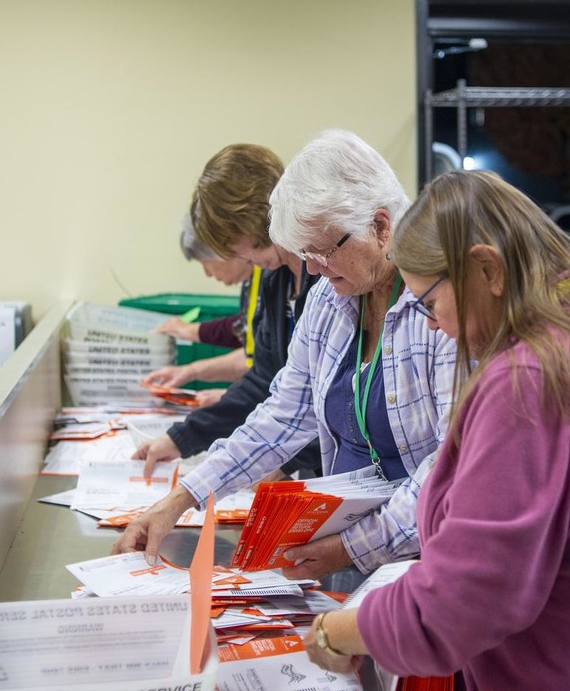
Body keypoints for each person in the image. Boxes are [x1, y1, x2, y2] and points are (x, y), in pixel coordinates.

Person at [302, 170, 570, 691]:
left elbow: (466, 596)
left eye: (428, 304)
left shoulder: (530, 380)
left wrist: (341, 632)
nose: (431, 325)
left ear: (487, 268)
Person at [114, 131, 456, 581]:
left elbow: (448, 467)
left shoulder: (441, 312)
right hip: (344, 547)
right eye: (304, 254)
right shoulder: (330, 300)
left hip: (417, 560)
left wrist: (352, 547)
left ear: (380, 226)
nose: (312, 269)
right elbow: (283, 415)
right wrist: (183, 497)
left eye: (322, 251)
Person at [134, 143, 322, 480]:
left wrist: (285, 460)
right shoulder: (274, 278)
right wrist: (182, 438)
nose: (243, 260)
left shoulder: (326, 276)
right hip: (307, 468)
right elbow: (263, 380)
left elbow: (333, 401)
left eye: (242, 247)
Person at [145, 215, 259, 406]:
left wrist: (229, 396)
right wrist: (190, 371)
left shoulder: (270, 272)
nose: (207, 273)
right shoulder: (255, 278)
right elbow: (253, 348)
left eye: (205, 262)